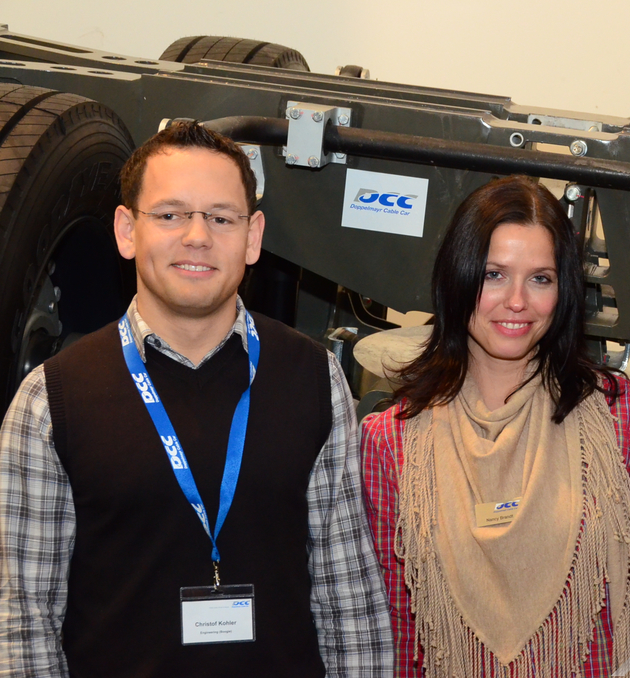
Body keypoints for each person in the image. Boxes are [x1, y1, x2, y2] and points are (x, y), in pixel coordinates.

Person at [0, 121, 392, 676]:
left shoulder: (315, 378)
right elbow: (23, 619)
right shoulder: (50, 400)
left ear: (252, 237)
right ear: (126, 230)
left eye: (221, 217)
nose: (197, 236)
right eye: (170, 215)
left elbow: (348, 595)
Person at [360, 175, 630, 676]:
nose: (517, 301)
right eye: (494, 275)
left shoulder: (629, 417)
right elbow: (398, 630)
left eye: (540, 279)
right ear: (458, 278)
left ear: (564, 290)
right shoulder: (390, 441)